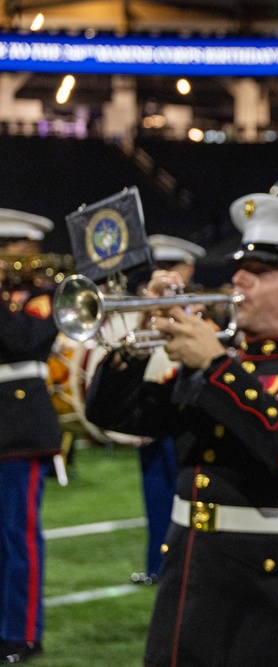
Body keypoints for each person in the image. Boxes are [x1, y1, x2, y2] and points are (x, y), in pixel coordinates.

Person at [86, 193, 278, 666]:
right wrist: (135, 339)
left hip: (277, 584)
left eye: (259, 271)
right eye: (242, 265)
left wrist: (217, 366)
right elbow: (116, 415)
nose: (238, 278)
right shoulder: (218, 368)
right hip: (191, 567)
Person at [128, 234, 207, 587]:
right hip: (153, 406)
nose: (165, 275)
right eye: (160, 268)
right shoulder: (147, 307)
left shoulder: (203, 306)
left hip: (185, 407)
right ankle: (157, 564)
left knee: (185, 495)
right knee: (155, 494)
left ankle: (184, 564)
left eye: (172, 267)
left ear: (188, 269)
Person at [0, 209, 60, 664]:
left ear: (29, 250)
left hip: (21, 426)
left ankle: (23, 632)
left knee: (18, 536)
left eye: (8, 248)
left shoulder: (45, 296)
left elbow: (24, 340)